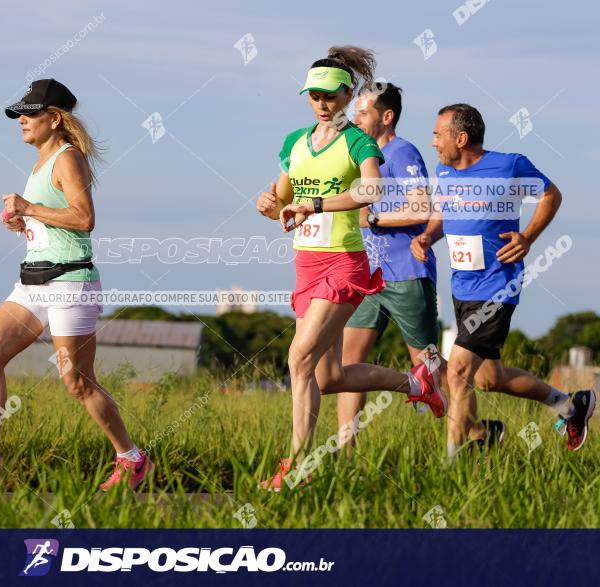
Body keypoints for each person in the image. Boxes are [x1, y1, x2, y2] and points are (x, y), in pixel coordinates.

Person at [0, 79, 154, 489]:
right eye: (19, 114)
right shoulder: (41, 163)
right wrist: (22, 222)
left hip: (70, 281)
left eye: (31, 113)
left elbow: (84, 218)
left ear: (54, 118)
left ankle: (132, 458)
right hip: (32, 283)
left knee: (76, 382)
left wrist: (29, 207)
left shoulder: (67, 158)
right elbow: (52, 220)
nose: (21, 120)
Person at [255, 47, 446, 491]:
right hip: (306, 261)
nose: (322, 103)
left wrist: (315, 203)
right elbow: (283, 201)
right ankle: (413, 384)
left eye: (331, 95)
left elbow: (370, 192)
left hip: (344, 261)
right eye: (314, 95)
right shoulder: (294, 143)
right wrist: (270, 205)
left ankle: (297, 467)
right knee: (328, 375)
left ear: (347, 95)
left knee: (298, 357)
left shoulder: (358, 141)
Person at [410, 103, 595, 454]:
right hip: (462, 288)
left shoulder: (509, 165)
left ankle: (451, 465)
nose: (433, 142)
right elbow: (443, 214)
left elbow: (551, 194)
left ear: (461, 138)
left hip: (497, 286)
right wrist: (427, 237)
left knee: (458, 372)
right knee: (489, 379)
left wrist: (528, 237)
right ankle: (571, 406)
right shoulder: (444, 171)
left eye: (438, 134)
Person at [339, 84, 505, 449]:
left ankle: (477, 432)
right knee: (347, 364)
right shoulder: (360, 156)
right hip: (368, 277)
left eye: (363, 113)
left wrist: (374, 220)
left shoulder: (403, 153)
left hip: (407, 275)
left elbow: (421, 208)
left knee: (430, 365)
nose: (355, 119)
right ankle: (344, 454)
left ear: (387, 117)